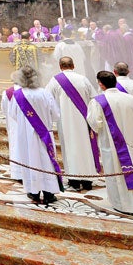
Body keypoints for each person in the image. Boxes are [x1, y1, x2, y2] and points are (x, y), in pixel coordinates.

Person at [87, 70, 133, 216]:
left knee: (116, 174)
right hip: (132, 143)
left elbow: (95, 124)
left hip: (111, 144)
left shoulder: (98, 101)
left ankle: (121, 204)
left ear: (101, 84)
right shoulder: (131, 99)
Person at [8, 66, 63, 205]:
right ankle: (49, 193)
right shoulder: (44, 93)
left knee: (30, 160)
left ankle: (33, 191)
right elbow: (56, 115)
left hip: (26, 136)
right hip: (44, 133)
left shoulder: (18, 95)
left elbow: (13, 115)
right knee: (46, 161)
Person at [46, 56, 99, 191]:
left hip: (65, 121)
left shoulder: (55, 80)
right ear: (73, 65)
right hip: (83, 120)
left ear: (60, 66)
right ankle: (88, 180)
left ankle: (74, 180)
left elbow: (47, 99)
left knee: (70, 148)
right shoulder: (83, 79)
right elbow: (94, 98)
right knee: (85, 148)